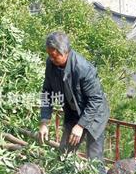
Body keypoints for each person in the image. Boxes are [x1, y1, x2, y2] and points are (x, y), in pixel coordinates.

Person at [38, 32, 109, 161]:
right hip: (73, 112)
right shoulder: (51, 64)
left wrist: (81, 125)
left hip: (94, 114)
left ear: (64, 53)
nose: (51, 59)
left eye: (54, 56)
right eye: (49, 55)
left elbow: (96, 99)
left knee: (94, 158)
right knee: (64, 153)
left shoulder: (83, 68)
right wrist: (44, 121)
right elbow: (46, 93)